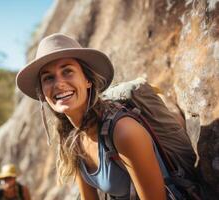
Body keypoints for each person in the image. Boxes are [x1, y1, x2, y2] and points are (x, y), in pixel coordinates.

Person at [16, 33, 196, 200]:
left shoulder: (124, 132)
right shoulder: (73, 138)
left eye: (67, 71)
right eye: (48, 78)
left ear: (88, 81)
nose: (59, 83)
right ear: (43, 93)